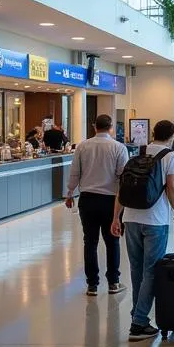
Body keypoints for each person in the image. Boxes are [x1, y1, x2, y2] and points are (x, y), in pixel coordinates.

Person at [113, 119, 174, 341]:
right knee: (151, 271)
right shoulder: (170, 156)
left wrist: (116, 217)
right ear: (172, 135)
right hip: (155, 221)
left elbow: (123, 188)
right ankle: (138, 323)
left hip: (131, 218)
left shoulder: (137, 153)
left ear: (153, 133)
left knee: (137, 270)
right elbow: (172, 188)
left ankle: (140, 317)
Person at [65, 114, 129, 296]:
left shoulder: (82, 146)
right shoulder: (118, 147)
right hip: (111, 200)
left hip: (87, 199)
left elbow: (74, 173)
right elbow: (123, 176)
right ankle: (113, 283)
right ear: (111, 128)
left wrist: (70, 193)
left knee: (90, 242)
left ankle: (92, 284)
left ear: (94, 127)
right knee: (112, 241)